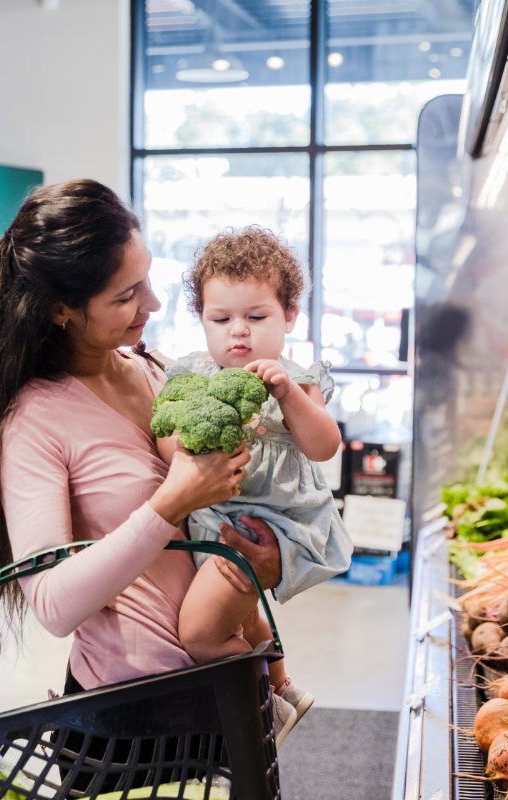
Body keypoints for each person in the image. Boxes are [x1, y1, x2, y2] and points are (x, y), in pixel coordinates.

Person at [0, 181, 284, 723]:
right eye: (125, 296)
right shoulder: (34, 419)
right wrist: (169, 502)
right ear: (61, 311)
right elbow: (52, 604)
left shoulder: (156, 370)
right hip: (130, 721)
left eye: (145, 280)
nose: (152, 303)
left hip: (225, 686)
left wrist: (263, 559)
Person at [157, 226, 354, 743]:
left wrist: (289, 395)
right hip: (214, 520)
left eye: (257, 317)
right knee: (241, 623)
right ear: (200, 318)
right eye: (221, 319)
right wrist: (195, 444)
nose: (238, 332)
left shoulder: (297, 377)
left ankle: (262, 702)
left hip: (273, 524)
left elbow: (324, 445)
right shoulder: (192, 376)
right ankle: (282, 686)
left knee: (200, 635)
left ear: (289, 315)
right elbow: (165, 444)